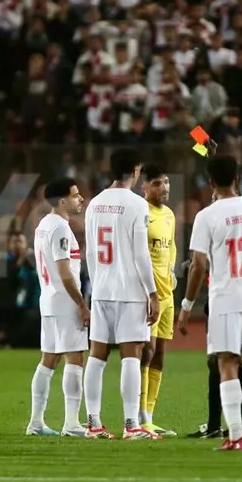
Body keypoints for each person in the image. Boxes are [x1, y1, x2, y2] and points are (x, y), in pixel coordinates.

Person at [177, 155, 242, 451]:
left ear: (210, 182)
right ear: (238, 178)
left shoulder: (207, 216)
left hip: (225, 297)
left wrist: (186, 305)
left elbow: (197, 265)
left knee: (227, 362)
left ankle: (235, 436)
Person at [84, 148, 161, 440]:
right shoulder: (137, 204)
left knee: (97, 355)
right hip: (129, 289)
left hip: (102, 288)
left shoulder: (94, 203)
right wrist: (152, 293)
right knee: (132, 355)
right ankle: (132, 425)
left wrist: (96, 284)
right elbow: (141, 254)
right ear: (137, 169)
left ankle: (93, 424)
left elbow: (91, 252)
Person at [26, 178, 88, 437]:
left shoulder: (43, 225)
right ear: (62, 201)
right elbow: (65, 272)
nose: (81, 199)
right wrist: (82, 304)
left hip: (48, 299)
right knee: (75, 358)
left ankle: (36, 422)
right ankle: (72, 423)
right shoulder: (61, 229)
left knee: (48, 360)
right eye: (75, 195)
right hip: (64, 301)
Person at [138, 163, 177, 437]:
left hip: (167, 293)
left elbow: (171, 246)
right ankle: (139, 414)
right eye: (156, 183)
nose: (163, 188)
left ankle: (150, 415)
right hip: (146, 294)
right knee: (146, 351)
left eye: (165, 182)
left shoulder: (169, 215)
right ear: (144, 187)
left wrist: (172, 271)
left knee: (160, 354)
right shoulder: (141, 213)